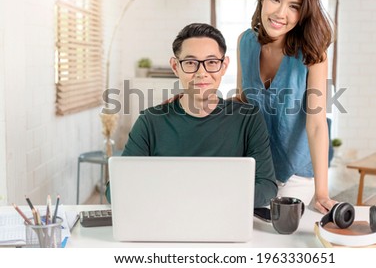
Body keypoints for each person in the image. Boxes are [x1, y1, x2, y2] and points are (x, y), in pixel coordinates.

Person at [106, 23, 277, 208]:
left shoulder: (248, 119)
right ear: (175, 66)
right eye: (190, 63)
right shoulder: (150, 122)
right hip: (166, 221)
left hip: (225, 221)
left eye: (211, 62)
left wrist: (202, 197)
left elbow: (267, 188)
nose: (201, 73)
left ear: (224, 66)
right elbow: (115, 189)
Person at [236, 0, 336, 214]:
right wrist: (192, 100)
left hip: (295, 174)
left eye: (294, 6)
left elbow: (316, 124)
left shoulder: (313, 55)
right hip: (254, 167)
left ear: (303, 13)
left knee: (283, 234)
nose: (281, 13)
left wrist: (322, 192)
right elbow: (242, 102)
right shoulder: (244, 42)